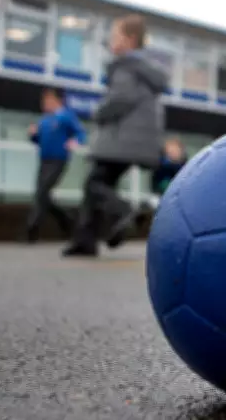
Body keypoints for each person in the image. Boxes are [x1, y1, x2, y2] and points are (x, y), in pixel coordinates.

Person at [63, 14, 169, 257]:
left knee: (95, 183)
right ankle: (86, 240)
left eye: (115, 36)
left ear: (130, 40)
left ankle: (123, 212)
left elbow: (120, 99)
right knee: (97, 185)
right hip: (136, 141)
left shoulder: (127, 66)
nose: (112, 41)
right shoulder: (145, 70)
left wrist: (98, 112)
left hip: (121, 139)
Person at [24, 87, 87, 242]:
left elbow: (80, 132)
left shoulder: (66, 116)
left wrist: (75, 141)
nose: (44, 104)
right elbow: (38, 140)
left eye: (47, 100)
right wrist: (32, 135)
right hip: (44, 160)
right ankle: (66, 219)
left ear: (57, 101)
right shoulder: (44, 120)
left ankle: (31, 230)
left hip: (58, 160)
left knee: (43, 191)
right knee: (41, 193)